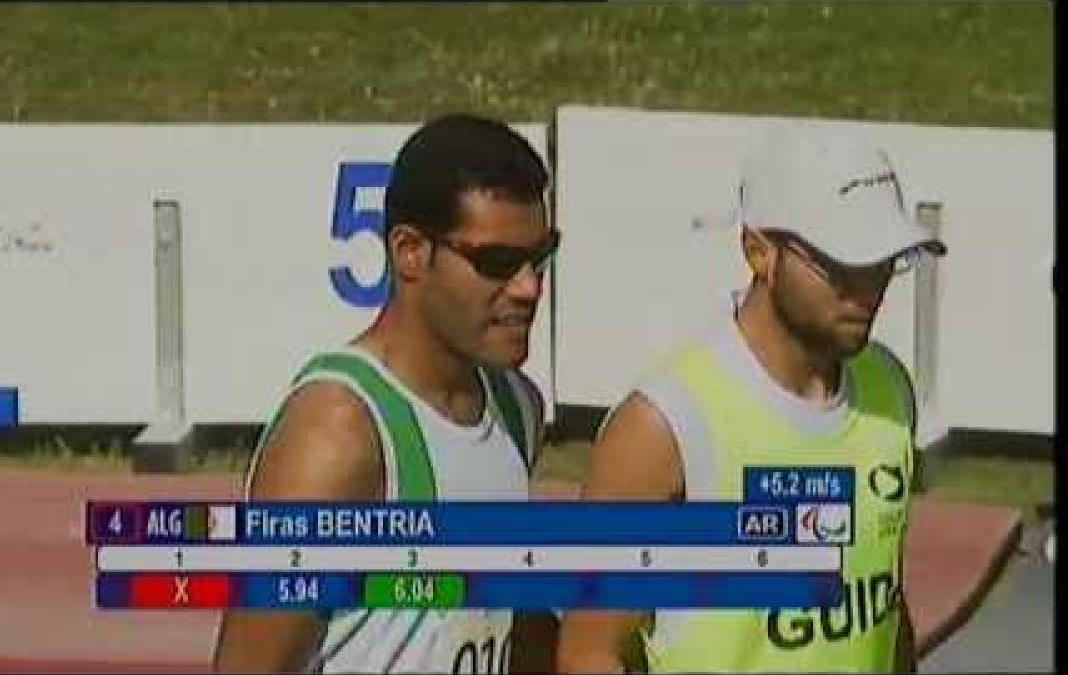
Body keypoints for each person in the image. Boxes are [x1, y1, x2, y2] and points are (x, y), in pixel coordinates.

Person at [557, 125, 946, 673]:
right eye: (839, 264)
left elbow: (882, 607)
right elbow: (588, 655)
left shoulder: (889, 389)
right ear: (758, 251)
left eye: (883, 261)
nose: (867, 288)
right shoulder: (664, 425)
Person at [212, 113, 560, 674]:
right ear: (409, 251)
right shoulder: (339, 433)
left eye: (540, 257)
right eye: (496, 263)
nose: (529, 287)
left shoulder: (517, 407)